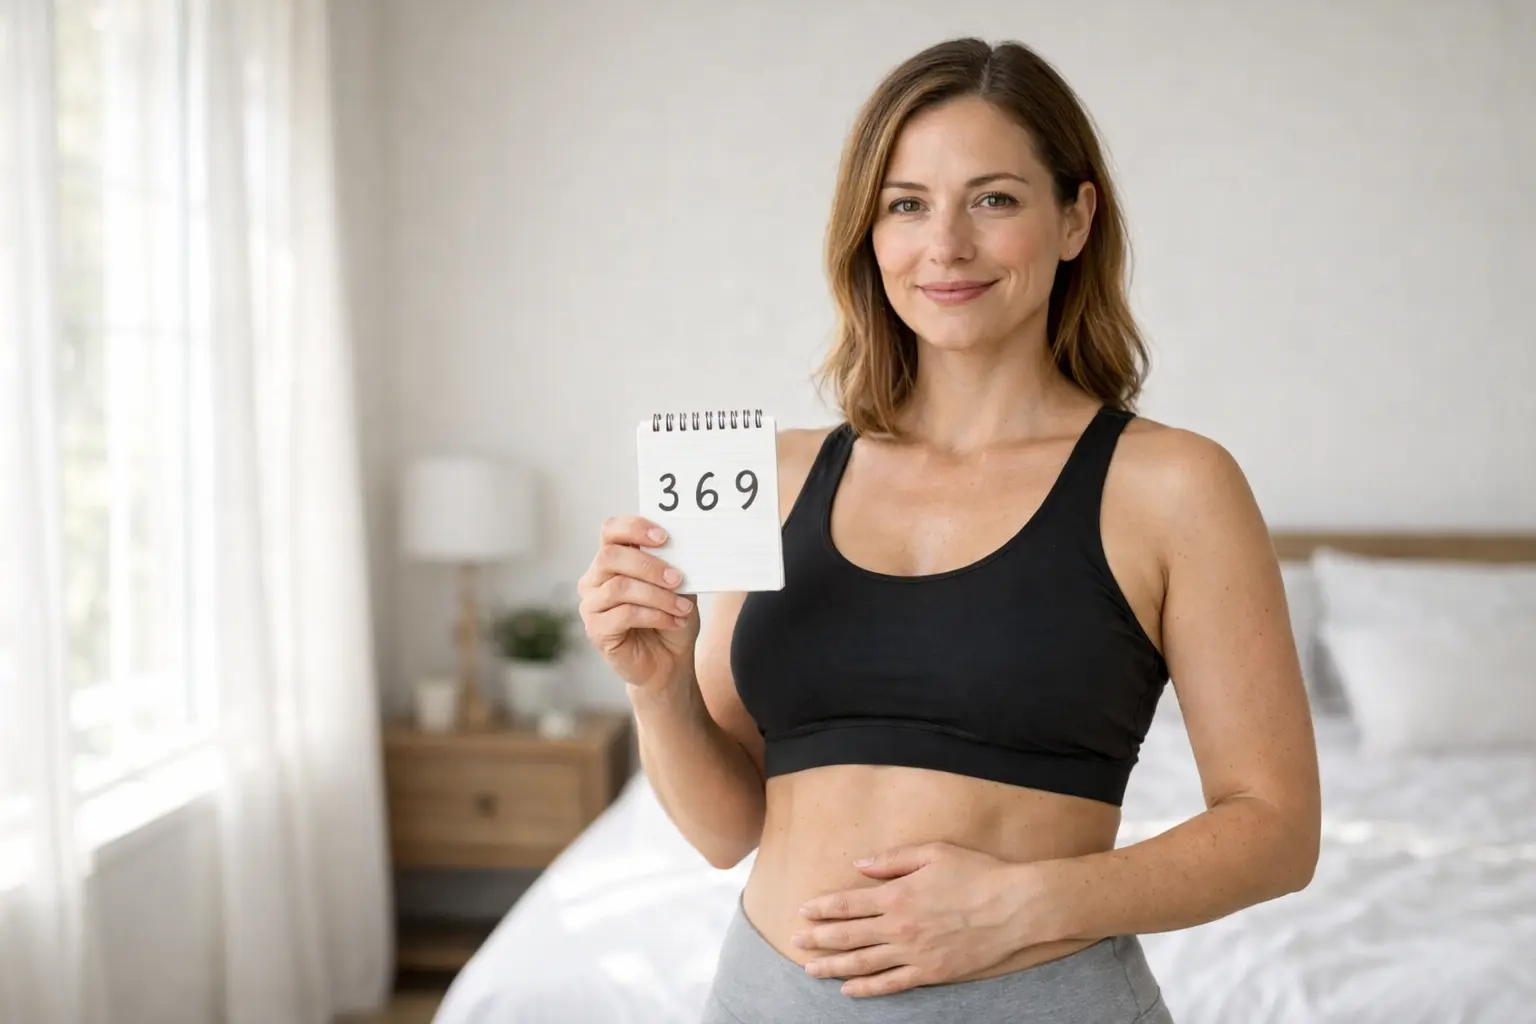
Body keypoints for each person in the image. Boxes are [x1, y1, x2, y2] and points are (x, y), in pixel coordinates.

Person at [578, 36, 1321, 1024]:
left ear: (1076, 218)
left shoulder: (1174, 486)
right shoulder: (777, 473)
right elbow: (726, 829)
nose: (947, 245)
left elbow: (1277, 831)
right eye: (906, 204)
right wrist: (659, 688)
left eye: (995, 199)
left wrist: (1024, 903)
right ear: (868, 232)